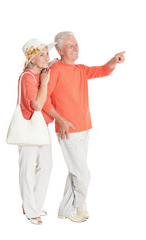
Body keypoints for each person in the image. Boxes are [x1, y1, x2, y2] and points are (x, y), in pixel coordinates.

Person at [42, 31, 125, 223]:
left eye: (76, 44)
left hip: (84, 127)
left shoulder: (79, 69)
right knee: (82, 173)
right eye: (70, 45)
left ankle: (64, 209)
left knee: (75, 170)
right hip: (67, 129)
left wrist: (114, 60)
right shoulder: (55, 71)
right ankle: (80, 206)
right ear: (60, 50)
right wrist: (60, 120)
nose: (75, 48)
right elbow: (45, 100)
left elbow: (102, 70)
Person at [18, 38, 56, 225]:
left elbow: (48, 66)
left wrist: (48, 69)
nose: (47, 57)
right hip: (28, 127)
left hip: (40, 127)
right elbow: (38, 105)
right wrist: (46, 81)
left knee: (46, 165)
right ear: (32, 59)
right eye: (41, 54)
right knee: (27, 169)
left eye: (47, 53)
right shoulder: (27, 77)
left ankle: (33, 205)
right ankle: (31, 209)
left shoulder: (39, 73)